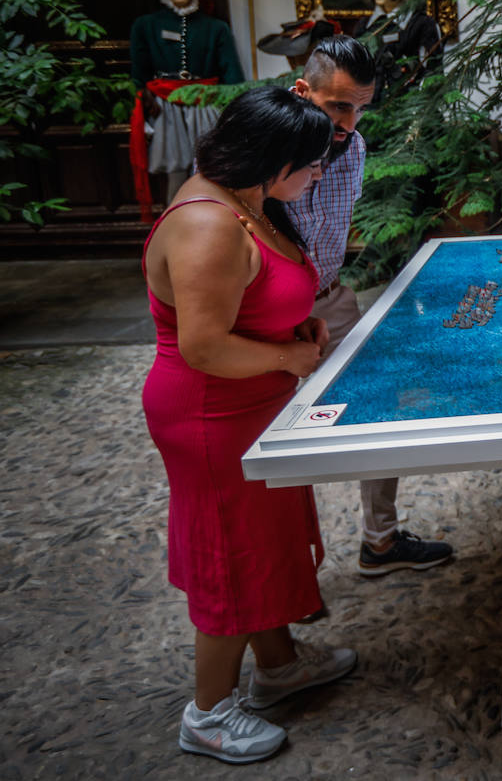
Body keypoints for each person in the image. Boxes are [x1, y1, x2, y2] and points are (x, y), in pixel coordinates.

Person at [141, 86, 356, 764]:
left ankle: (279, 664)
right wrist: (287, 355)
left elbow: (256, 300)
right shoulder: (208, 224)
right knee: (230, 553)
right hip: (211, 411)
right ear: (268, 159)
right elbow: (204, 344)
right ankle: (206, 713)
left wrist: (297, 328)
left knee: (266, 539)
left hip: (253, 400)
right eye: (311, 162)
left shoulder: (249, 201)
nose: (320, 173)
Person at [283, 35, 454, 576]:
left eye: (360, 108)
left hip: (326, 297)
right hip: (264, 311)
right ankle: (288, 575)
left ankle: (379, 541)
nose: (350, 122)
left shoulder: (352, 147)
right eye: (338, 106)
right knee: (273, 443)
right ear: (301, 91)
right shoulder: (263, 146)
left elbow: (327, 233)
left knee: (383, 402)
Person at [129, 0, 244, 217]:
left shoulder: (215, 28)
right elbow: (138, 73)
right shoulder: (146, 26)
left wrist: (233, 112)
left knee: (212, 168)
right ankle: (176, 225)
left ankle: (216, 221)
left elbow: (233, 76)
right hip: (165, 105)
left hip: (206, 105)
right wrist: (143, 101)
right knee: (175, 173)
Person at [352, 0, 442, 102]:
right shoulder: (364, 26)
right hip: (372, 111)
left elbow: (433, 72)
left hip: (409, 108)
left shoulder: (421, 24)